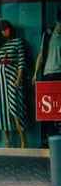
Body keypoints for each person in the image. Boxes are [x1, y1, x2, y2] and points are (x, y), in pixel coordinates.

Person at [0, 20, 28, 148]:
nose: (5, 32)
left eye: (6, 29)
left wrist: (19, 78)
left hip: (13, 75)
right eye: (3, 30)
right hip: (1, 77)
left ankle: (23, 139)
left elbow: (21, 61)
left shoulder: (18, 42)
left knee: (15, 107)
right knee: (1, 108)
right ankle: (7, 141)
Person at [33, 10, 61, 142]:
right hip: (49, 74)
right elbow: (41, 55)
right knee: (47, 109)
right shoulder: (48, 34)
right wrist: (35, 74)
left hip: (59, 74)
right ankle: (51, 137)